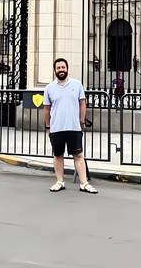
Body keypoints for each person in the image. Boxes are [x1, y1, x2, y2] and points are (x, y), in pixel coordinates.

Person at [43, 58, 98, 194]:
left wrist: (82, 121)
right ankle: (60, 181)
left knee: (78, 155)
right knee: (58, 155)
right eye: (58, 68)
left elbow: (82, 104)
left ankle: (84, 183)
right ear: (55, 70)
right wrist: (48, 126)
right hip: (56, 128)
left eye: (63, 67)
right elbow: (46, 109)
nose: (61, 70)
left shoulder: (77, 84)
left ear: (67, 69)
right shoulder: (49, 88)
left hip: (74, 127)